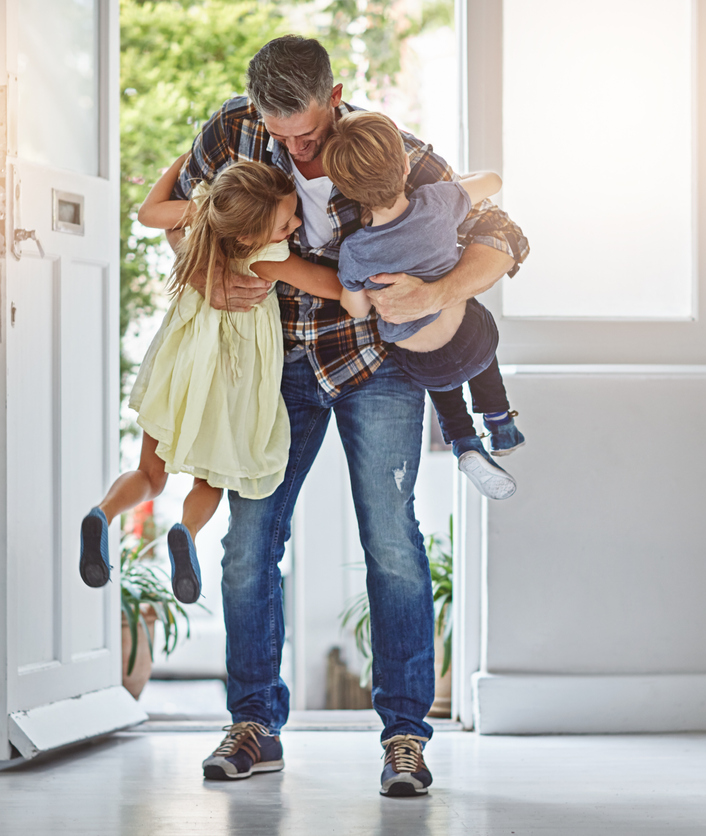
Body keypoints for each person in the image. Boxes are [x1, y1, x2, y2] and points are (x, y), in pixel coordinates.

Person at [163, 35, 528, 794]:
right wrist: (206, 274)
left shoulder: (383, 149)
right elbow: (184, 219)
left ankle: (404, 737)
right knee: (249, 539)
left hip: (377, 364)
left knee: (391, 541)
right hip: (276, 363)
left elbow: (504, 235)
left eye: (309, 133)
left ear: (335, 99)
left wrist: (438, 292)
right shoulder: (233, 132)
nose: (299, 151)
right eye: (282, 135)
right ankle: (253, 724)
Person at [78, 157, 344, 605]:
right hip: (228, 381)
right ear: (249, 236)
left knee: (150, 474)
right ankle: (186, 531)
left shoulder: (203, 215)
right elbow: (331, 285)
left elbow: (147, 213)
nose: (296, 224)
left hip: (178, 367)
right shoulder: (267, 258)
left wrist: (181, 163)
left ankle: (102, 514)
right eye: (286, 223)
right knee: (210, 480)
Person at [323, 111, 526, 500]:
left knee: (433, 371)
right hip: (471, 344)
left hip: (423, 366)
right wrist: (458, 184)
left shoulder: (355, 251)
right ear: (404, 167)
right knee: (473, 321)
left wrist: (360, 287)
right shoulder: (437, 201)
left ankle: (464, 441)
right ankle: (500, 422)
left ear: (347, 191)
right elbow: (493, 181)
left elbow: (357, 311)